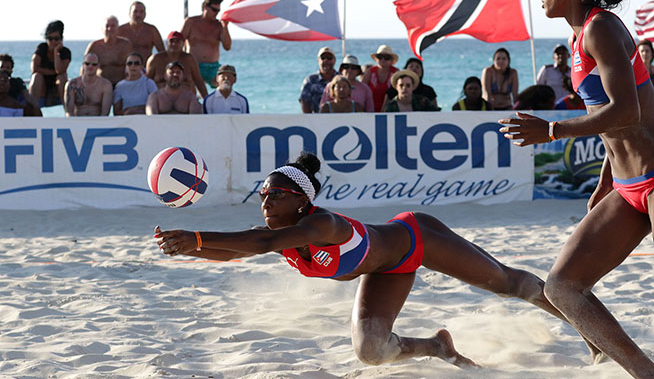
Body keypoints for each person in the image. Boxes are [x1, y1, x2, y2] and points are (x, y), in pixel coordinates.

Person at [155, 152, 601, 369]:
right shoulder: (282, 233)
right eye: (262, 194)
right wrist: (188, 248)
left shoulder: (319, 225)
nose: (265, 200)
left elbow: (255, 245)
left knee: (508, 283)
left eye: (275, 194)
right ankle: (437, 347)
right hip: (384, 268)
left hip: (416, 238)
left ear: (302, 201)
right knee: (370, 351)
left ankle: (592, 332)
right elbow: (233, 253)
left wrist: (195, 235)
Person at [500, 0, 654, 377]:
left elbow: (629, 111)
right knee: (563, 288)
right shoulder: (580, 31)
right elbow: (605, 117)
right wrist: (606, 179)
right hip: (628, 186)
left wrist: (551, 131)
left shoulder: (601, 27)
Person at [181, 0, 232, 88]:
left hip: (213, 67)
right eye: (214, 10)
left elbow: (227, 46)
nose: (216, 13)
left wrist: (225, 27)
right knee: (189, 89)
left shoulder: (219, 26)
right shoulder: (191, 22)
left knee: (223, 87)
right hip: (194, 64)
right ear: (204, 7)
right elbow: (179, 42)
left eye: (218, 11)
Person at [145, 31, 208, 98]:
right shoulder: (155, 59)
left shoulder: (189, 59)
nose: (174, 44)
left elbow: (199, 81)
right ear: (166, 43)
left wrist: (207, 101)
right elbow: (145, 83)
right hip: (161, 102)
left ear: (183, 44)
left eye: (178, 41)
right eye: (171, 41)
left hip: (186, 102)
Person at [28, 20, 71, 107]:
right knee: (37, 76)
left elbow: (60, 71)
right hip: (42, 84)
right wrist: (53, 72)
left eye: (56, 39)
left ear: (61, 39)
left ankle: (67, 111)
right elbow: (34, 68)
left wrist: (56, 52)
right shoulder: (42, 48)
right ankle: (33, 110)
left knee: (61, 78)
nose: (53, 42)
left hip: (58, 85)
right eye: (50, 39)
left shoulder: (65, 52)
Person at [84, 16, 133, 87]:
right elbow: (84, 67)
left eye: (113, 26)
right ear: (102, 29)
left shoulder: (125, 45)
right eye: (107, 26)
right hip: (100, 86)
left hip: (121, 85)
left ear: (118, 29)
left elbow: (134, 66)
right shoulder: (94, 46)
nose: (109, 29)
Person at [361, 45, 399, 112]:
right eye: (380, 57)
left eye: (386, 57)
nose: (383, 60)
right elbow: (362, 91)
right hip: (370, 110)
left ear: (391, 60)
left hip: (390, 111)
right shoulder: (369, 72)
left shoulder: (395, 72)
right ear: (376, 59)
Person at [299, 47, 337, 113]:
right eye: (323, 58)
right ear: (318, 60)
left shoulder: (341, 79)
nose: (326, 60)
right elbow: (304, 101)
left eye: (329, 58)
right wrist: (310, 120)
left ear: (334, 60)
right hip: (317, 119)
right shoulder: (310, 80)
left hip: (339, 119)